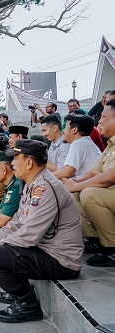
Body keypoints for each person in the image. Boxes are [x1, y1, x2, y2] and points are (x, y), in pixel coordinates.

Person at [0, 139, 82, 324]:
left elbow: (29, 234)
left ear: (29, 162)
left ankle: (28, 305)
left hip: (62, 260)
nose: (12, 163)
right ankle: (18, 292)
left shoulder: (44, 187)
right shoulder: (33, 184)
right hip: (45, 250)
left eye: (15, 159)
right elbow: (17, 222)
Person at [64, 99, 115, 266]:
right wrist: (75, 182)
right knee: (77, 192)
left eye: (103, 117)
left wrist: (75, 185)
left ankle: (112, 248)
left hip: (108, 190)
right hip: (109, 192)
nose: (99, 121)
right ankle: (95, 239)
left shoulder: (80, 143)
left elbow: (110, 177)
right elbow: (96, 170)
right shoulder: (110, 145)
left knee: (89, 193)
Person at [54, 114, 101, 180]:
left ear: (74, 130)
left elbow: (66, 172)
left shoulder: (78, 143)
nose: (63, 131)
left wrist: (44, 178)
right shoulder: (87, 142)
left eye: (65, 127)